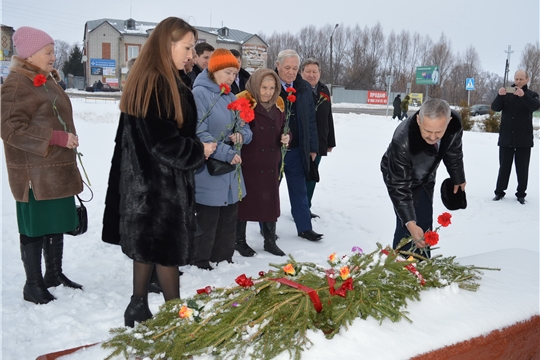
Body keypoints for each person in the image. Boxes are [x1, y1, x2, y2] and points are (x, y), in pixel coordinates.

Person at [101, 17, 215, 327]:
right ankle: (175, 315)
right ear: (168, 45)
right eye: (187, 47)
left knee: (148, 244)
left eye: (192, 48)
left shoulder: (156, 78)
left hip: (146, 183)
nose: (191, 54)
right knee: (167, 249)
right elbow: (163, 143)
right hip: (160, 185)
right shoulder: (158, 83)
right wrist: (198, 150)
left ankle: (138, 304)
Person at [1, 26, 83, 305]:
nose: (53, 56)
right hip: (34, 173)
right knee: (35, 226)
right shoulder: (17, 83)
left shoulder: (44, 80)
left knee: (55, 222)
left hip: (55, 169)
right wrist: (56, 137)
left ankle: (54, 274)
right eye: (48, 52)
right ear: (30, 54)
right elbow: (9, 127)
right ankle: (33, 284)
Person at [191, 48, 253, 270]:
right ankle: (201, 260)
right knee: (209, 216)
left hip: (231, 169)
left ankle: (224, 257)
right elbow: (199, 131)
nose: (232, 78)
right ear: (214, 70)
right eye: (227, 72)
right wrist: (226, 152)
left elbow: (245, 129)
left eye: (235, 74)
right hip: (211, 166)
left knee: (229, 214)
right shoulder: (199, 94)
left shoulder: (230, 96)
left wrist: (241, 136)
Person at [381, 98, 466, 254]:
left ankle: (422, 266)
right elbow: (399, 186)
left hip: (426, 174)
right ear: (419, 120)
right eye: (428, 131)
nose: (433, 137)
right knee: (408, 225)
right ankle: (400, 266)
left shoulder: (454, 125)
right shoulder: (402, 141)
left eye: (438, 132)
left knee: (424, 220)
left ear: (449, 121)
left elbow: (453, 150)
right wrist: (410, 223)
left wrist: (458, 177)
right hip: (399, 176)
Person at [235, 69, 290, 257]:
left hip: (270, 163)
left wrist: (286, 137)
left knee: (270, 202)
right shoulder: (245, 104)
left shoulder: (279, 106)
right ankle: (239, 241)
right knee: (245, 202)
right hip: (250, 163)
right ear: (255, 86)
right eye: (263, 87)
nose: (267, 92)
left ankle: (269, 240)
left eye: (272, 88)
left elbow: (285, 129)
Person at [275, 49, 322, 241]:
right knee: (270, 191)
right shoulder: (268, 85)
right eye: (287, 67)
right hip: (274, 150)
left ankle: (304, 228)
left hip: (296, 150)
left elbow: (311, 120)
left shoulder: (304, 89)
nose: (291, 72)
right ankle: (267, 228)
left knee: (300, 190)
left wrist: (313, 147)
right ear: (277, 65)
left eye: (294, 68)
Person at [491, 70, 540, 204]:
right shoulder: (507, 93)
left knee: (522, 169)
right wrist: (499, 96)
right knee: (504, 168)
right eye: (516, 79)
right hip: (506, 139)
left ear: (527, 80)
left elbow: (535, 106)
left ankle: (521, 194)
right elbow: (495, 108)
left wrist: (524, 96)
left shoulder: (532, 95)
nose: (518, 82)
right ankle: (499, 192)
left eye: (521, 79)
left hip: (523, 140)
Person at [300, 58, 336, 218]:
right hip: (300, 142)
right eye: (308, 71)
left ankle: (306, 207)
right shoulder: (298, 89)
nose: (311, 75)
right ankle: (300, 209)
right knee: (300, 177)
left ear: (319, 73)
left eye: (315, 72)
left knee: (312, 176)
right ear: (302, 73)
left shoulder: (323, 90)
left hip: (320, 141)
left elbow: (328, 116)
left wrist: (330, 141)